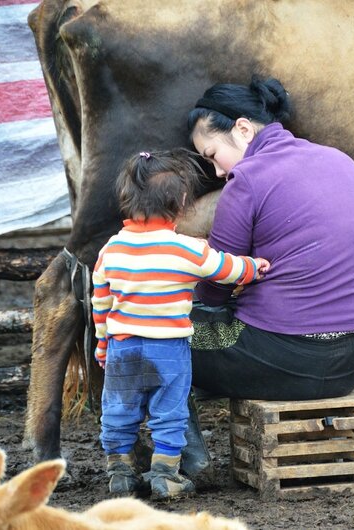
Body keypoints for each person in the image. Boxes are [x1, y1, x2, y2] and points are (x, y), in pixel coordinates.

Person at [181, 76, 354, 475]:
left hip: (282, 360)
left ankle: (192, 458)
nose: (217, 172)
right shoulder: (340, 159)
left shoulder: (249, 178)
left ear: (242, 128)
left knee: (158, 332)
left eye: (211, 154)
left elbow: (216, 290)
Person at [91, 149, 270, 499]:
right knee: (169, 412)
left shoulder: (110, 250)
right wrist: (255, 267)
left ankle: (121, 472)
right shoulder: (187, 249)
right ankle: (165, 475)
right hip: (168, 349)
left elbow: (101, 304)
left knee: (118, 411)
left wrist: (102, 346)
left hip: (122, 347)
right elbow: (227, 268)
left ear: (125, 200)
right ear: (182, 201)